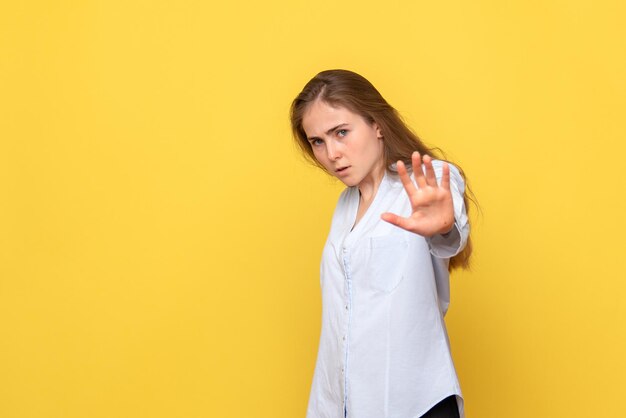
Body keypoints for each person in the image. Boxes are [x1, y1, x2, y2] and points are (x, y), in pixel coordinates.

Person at [290, 69, 475, 418]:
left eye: (341, 132)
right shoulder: (345, 207)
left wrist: (444, 227)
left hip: (416, 402)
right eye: (318, 141)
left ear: (377, 124)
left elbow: (449, 236)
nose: (332, 153)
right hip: (344, 405)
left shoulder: (428, 180)